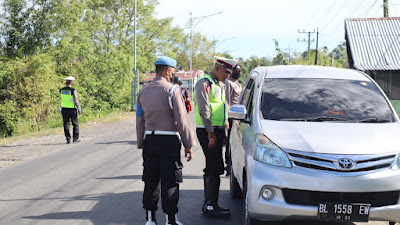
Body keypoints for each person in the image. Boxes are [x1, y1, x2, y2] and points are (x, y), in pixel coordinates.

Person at [136, 56, 196, 225]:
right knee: (170, 180)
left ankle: (150, 219)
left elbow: (139, 120)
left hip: (150, 140)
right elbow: (182, 119)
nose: (173, 75)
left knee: (151, 180)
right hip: (169, 141)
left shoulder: (142, 92)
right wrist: (188, 144)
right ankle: (171, 220)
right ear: (168, 70)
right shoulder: (172, 90)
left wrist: (141, 143)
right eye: (173, 72)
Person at [195, 56, 237, 218]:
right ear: (218, 68)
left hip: (217, 130)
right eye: (226, 72)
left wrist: (225, 125)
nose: (228, 75)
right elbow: (204, 110)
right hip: (207, 131)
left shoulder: (219, 84)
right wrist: (211, 133)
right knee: (213, 167)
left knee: (216, 166)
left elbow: (223, 105)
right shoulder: (204, 83)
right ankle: (210, 205)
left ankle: (211, 203)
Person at [223, 64, 242, 176]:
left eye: (239, 71)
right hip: (231, 117)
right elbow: (226, 101)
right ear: (231, 71)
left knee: (237, 142)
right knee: (230, 142)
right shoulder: (228, 83)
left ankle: (234, 164)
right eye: (236, 71)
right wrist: (226, 118)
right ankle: (229, 165)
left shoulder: (237, 83)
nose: (238, 73)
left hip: (238, 116)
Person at [60, 76, 82, 144]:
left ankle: (68, 139)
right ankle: (75, 138)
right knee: (75, 124)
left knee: (66, 124)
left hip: (64, 109)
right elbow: (76, 100)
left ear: (66, 83)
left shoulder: (61, 90)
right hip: (72, 109)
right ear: (71, 83)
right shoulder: (73, 90)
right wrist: (79, 108)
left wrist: (60, 108)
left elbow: (62, 99)